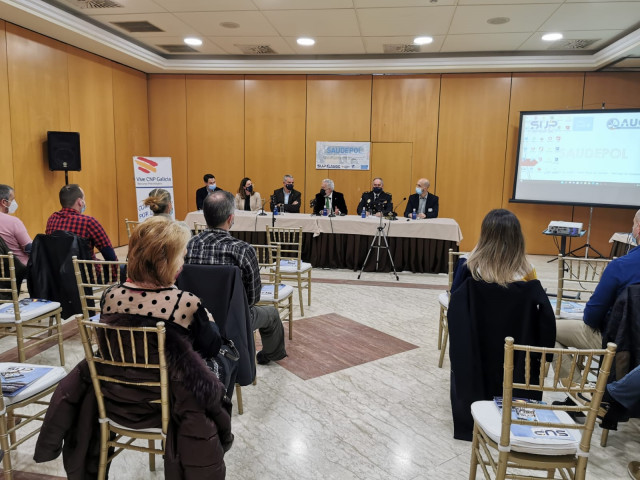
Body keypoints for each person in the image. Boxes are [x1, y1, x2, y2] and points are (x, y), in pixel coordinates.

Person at [35, 217, 233, 478]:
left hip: (114, 399)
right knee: (224, 356)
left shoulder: (110, 296)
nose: (184, 263)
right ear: (168, 262)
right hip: (167, 406)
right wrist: (208, 320)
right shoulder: (185, 303)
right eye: (181, 257)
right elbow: (209, 347)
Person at [447, 209, 556, 440]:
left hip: (476, 349)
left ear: (484, 235)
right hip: (515, 352)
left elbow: (453, 304)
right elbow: (543, 316)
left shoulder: (468, 267)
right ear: (518, 237)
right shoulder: (528, 272)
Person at [186, 190, 287, 365]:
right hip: (233, 320)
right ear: (231, 219)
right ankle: (269, 355)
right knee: (271, 314)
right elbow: (253, 297)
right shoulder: (243, 250)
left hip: (193, 317)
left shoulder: (188, 245)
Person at [555, 209, 640, 376]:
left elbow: (591, 317)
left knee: (547, 328)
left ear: (638, 229)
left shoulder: (620, 266)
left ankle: (579, 392)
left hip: (618, 342)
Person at [45, 184, 117, 261]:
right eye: (84, 199)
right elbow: (109, 254)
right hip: (86, 271)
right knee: (123, 268)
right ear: (80, 202)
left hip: (56, 271)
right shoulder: (89, 222)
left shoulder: (51, 219)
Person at [0, 184, 32, 267]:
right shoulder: (14, 222)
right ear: (4, 202)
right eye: (12, 200)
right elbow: (29, 249)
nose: (14, 203)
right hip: (19, 271)